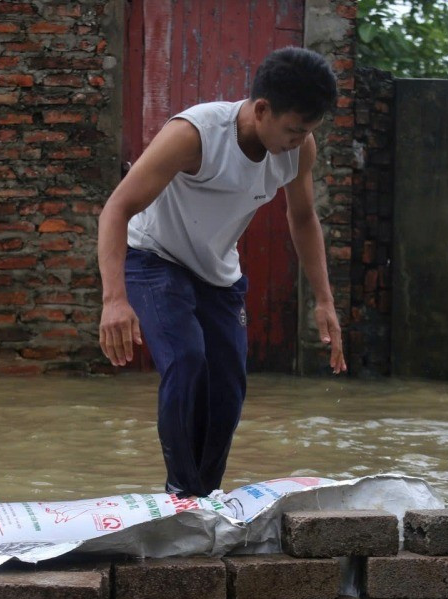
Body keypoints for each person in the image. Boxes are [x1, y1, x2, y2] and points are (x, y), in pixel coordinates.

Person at [96, 46, 347, 498]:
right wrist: (114, 299)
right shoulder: (195, 135)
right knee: (187, 360)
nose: (299, 140)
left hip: (217, 272)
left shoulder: (299, 150)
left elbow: (303, 218)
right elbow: (117, 208)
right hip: (153, 257)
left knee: (228, 389)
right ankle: (181, 493)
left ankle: (205, 497)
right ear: (262, 109)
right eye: (293, 130)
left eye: (308, 131)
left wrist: (324, 300)